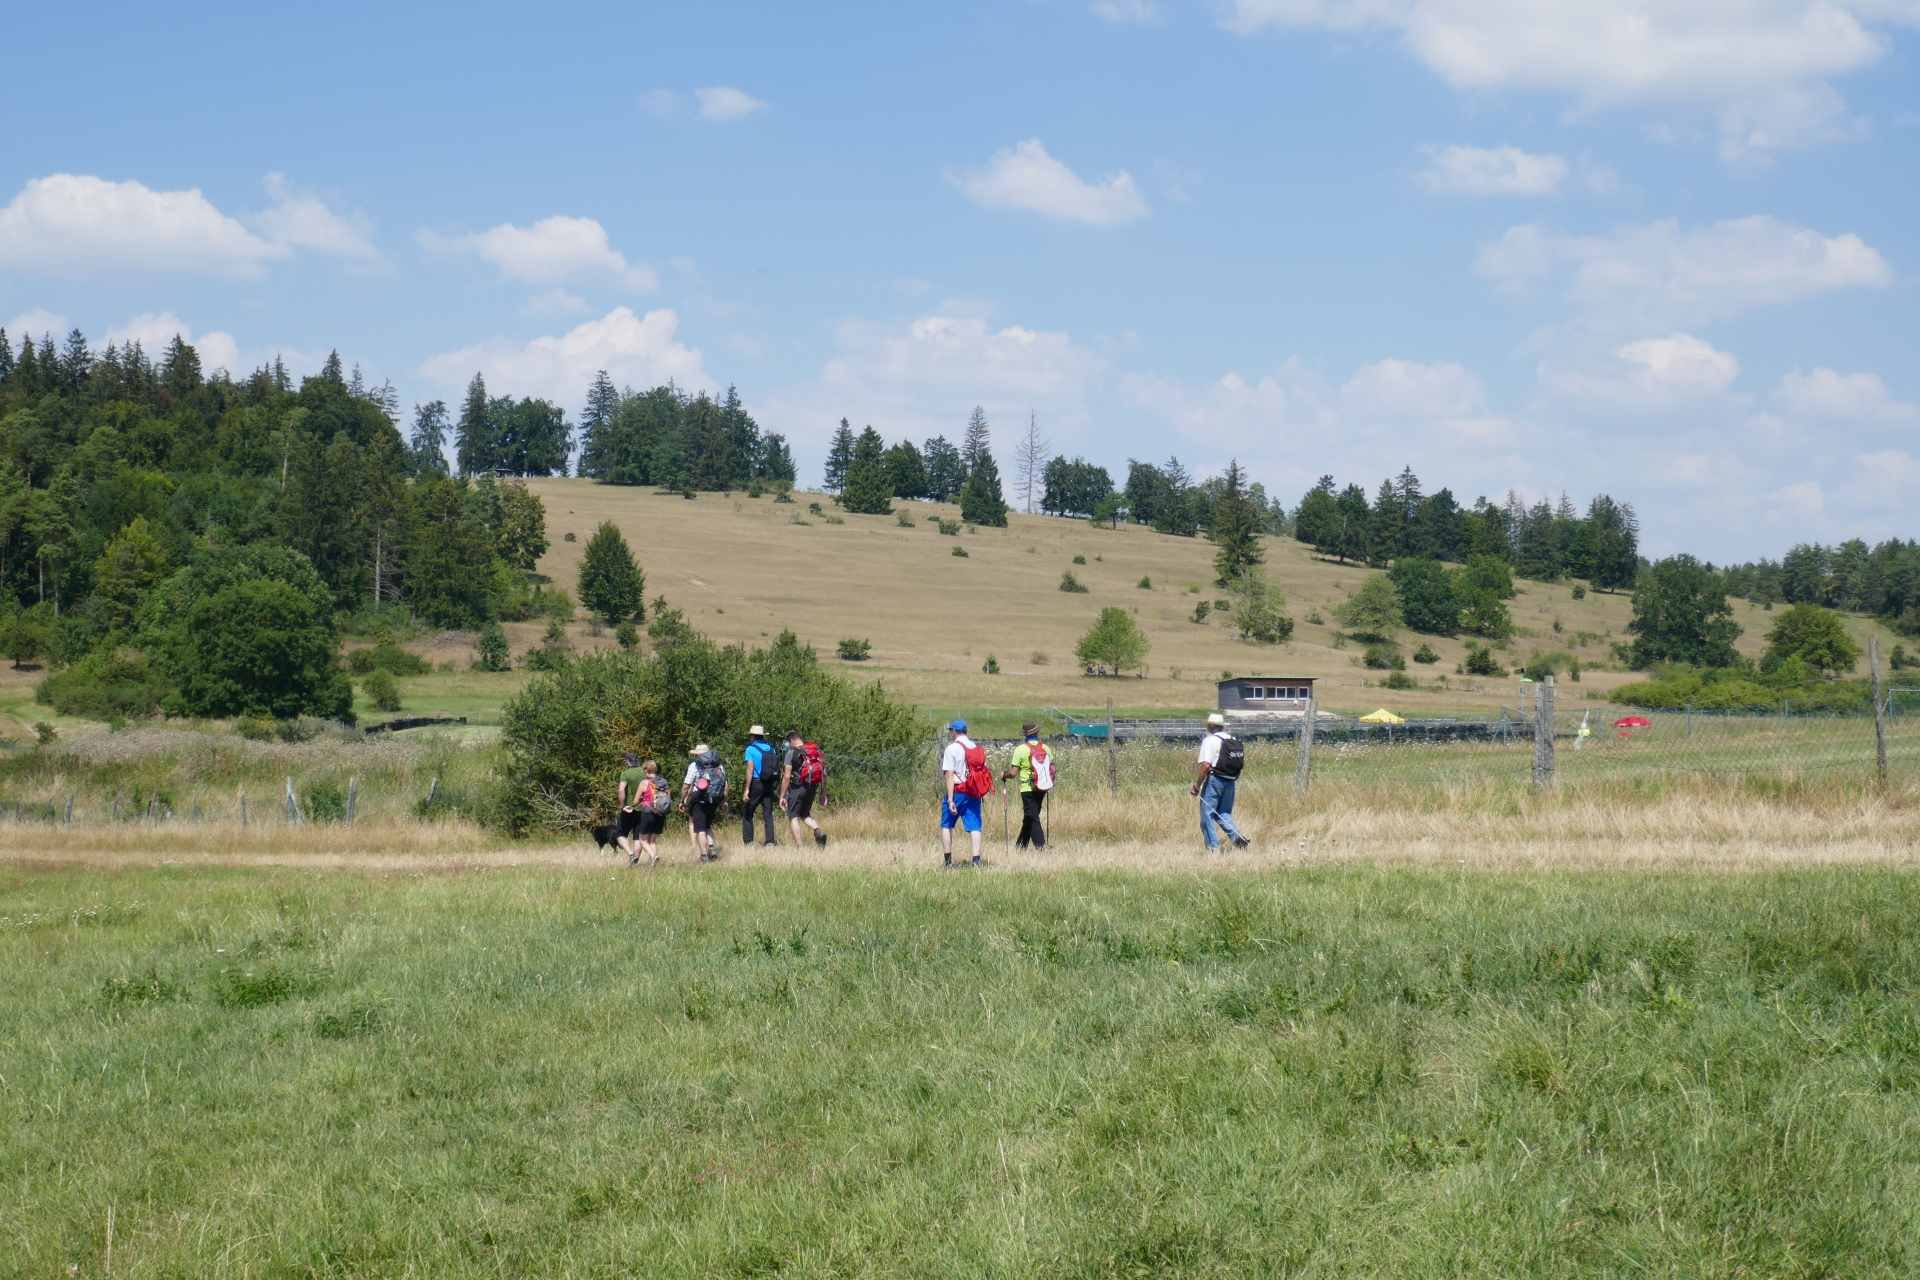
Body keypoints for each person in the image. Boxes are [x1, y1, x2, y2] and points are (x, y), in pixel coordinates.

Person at [1192, 713, 1251, 852]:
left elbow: (1206, 765)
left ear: (1209, 726)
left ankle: (1213, 848)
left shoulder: (1209, 740)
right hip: (1230, 781)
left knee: (1207, 815)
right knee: (1223, 813)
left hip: (1215, 780)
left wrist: (1197, 785)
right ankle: (1237, 838)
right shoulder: (1232, 739)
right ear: (1222, 726)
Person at [940, 719, 990, 868]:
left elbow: (949, 774)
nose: (950, 733)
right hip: (974, 791)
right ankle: (976, 861)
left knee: (946, 825)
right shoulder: (976, 747)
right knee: (975, 826)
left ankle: (948, 863)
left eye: (950, 730)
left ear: (954, 731)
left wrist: (950, 799)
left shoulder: (952, 748)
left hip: (957, 790)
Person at [1001, 723, 1054, 850]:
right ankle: (1021, 846)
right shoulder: (1046, 748)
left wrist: (1004, 775)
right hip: (1042, 786)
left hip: (1027, 788)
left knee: (1033, 817)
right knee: (1030, 817)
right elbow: (1051, 768)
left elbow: (1013, 773)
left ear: (1025, 735)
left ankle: (1041, 847)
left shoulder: (1020, 749)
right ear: (1037, 734)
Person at [779, 729, 828, 848]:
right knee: (804, 814)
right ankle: (817, 830)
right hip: (813, 786)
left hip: (798, 787)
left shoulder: (791, 752)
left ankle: (800, 848)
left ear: (791, 740)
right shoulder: (815, 750)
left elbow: (786, 776)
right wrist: (823, 793)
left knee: (793, 816)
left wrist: (782, 796)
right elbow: (824, 773)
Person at [682, 744, 726, 863]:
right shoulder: (718, 765)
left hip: (699, 800)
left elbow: (686, 785)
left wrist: (683, 799)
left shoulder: (694, 765)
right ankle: (711, 847)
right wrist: (722, 800)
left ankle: (704, 855)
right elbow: (725, 784)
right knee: (707, 825)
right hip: (714, 799)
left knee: (700, 828)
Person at [740, 725, 781, 847]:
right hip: (769, 784)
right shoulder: (771, 748)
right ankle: (770, 842)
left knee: (748, 812)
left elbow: (750, 769)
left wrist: (747, 789)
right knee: (768, 813)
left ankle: (749, 842)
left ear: (752, 736)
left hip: (756, 783)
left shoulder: (750, 749)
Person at [627, 758, 667, 867]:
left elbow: (635, 801)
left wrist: (630, 806)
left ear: (646, 770)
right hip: (660, 813)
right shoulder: (663, 781)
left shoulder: (644, 782)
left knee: (642, 839)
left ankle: (654, 856)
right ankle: (653, 863)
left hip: (648, 812)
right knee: (652, 840)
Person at [614, 752, 648, 864]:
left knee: (619, 834)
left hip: (629, 808)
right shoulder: (644, 772)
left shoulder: (625, 773)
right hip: (643, 808)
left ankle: (630, 854)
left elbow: (621, 790)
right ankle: (635, 861)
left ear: (627, 761)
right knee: (638, 836)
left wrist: (621, 805)